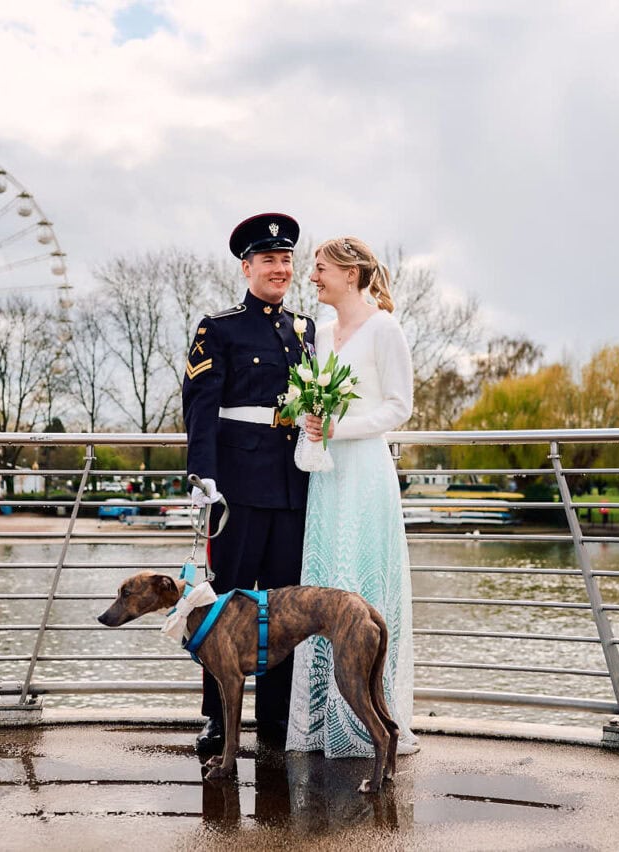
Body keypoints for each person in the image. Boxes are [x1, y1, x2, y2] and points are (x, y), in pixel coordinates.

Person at [182, 212, 316, 753]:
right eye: (269, 260)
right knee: (225, 608)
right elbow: (201, 408)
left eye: (286, 260)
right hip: (235, 489)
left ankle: (278, 722)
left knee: (282, 610)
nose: (280, 268)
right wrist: (203, 478)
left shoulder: (302, 331)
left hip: (292, 490)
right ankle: (216, 717)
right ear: (247, 267)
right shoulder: (220, 327)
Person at [287, 235, 419, 758]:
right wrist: (309, 418)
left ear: (350, 272)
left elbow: (399, 407)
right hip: (328, 475)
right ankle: (324, 721)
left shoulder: (385, 328)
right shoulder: (318, 332)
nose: (312, 277)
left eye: (319, 268)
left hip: (364, 472)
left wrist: (343, 429)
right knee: (326, 587)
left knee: (364, 585)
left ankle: (377, 720)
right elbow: (307, 398)